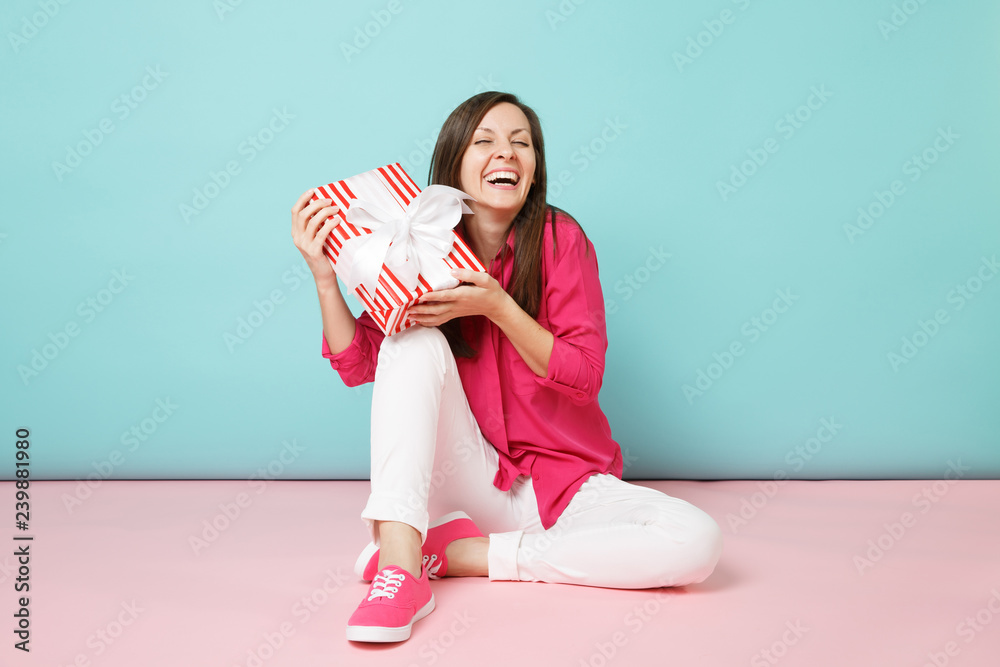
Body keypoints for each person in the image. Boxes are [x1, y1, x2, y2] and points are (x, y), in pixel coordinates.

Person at [290, 91, 723, 644]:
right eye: (486, 141)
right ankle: (400, 568)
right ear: (453, 162)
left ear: (535, 167)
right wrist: (325, 278)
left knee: (695, 541)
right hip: (472, 477)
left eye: (523, 144)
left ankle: (462, 554)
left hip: (568, 485)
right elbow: (363, 364)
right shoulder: (419, 247)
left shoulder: (561, 240)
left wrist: (497, 305)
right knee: (413, 343)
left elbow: (586, 374)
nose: (508, 154)